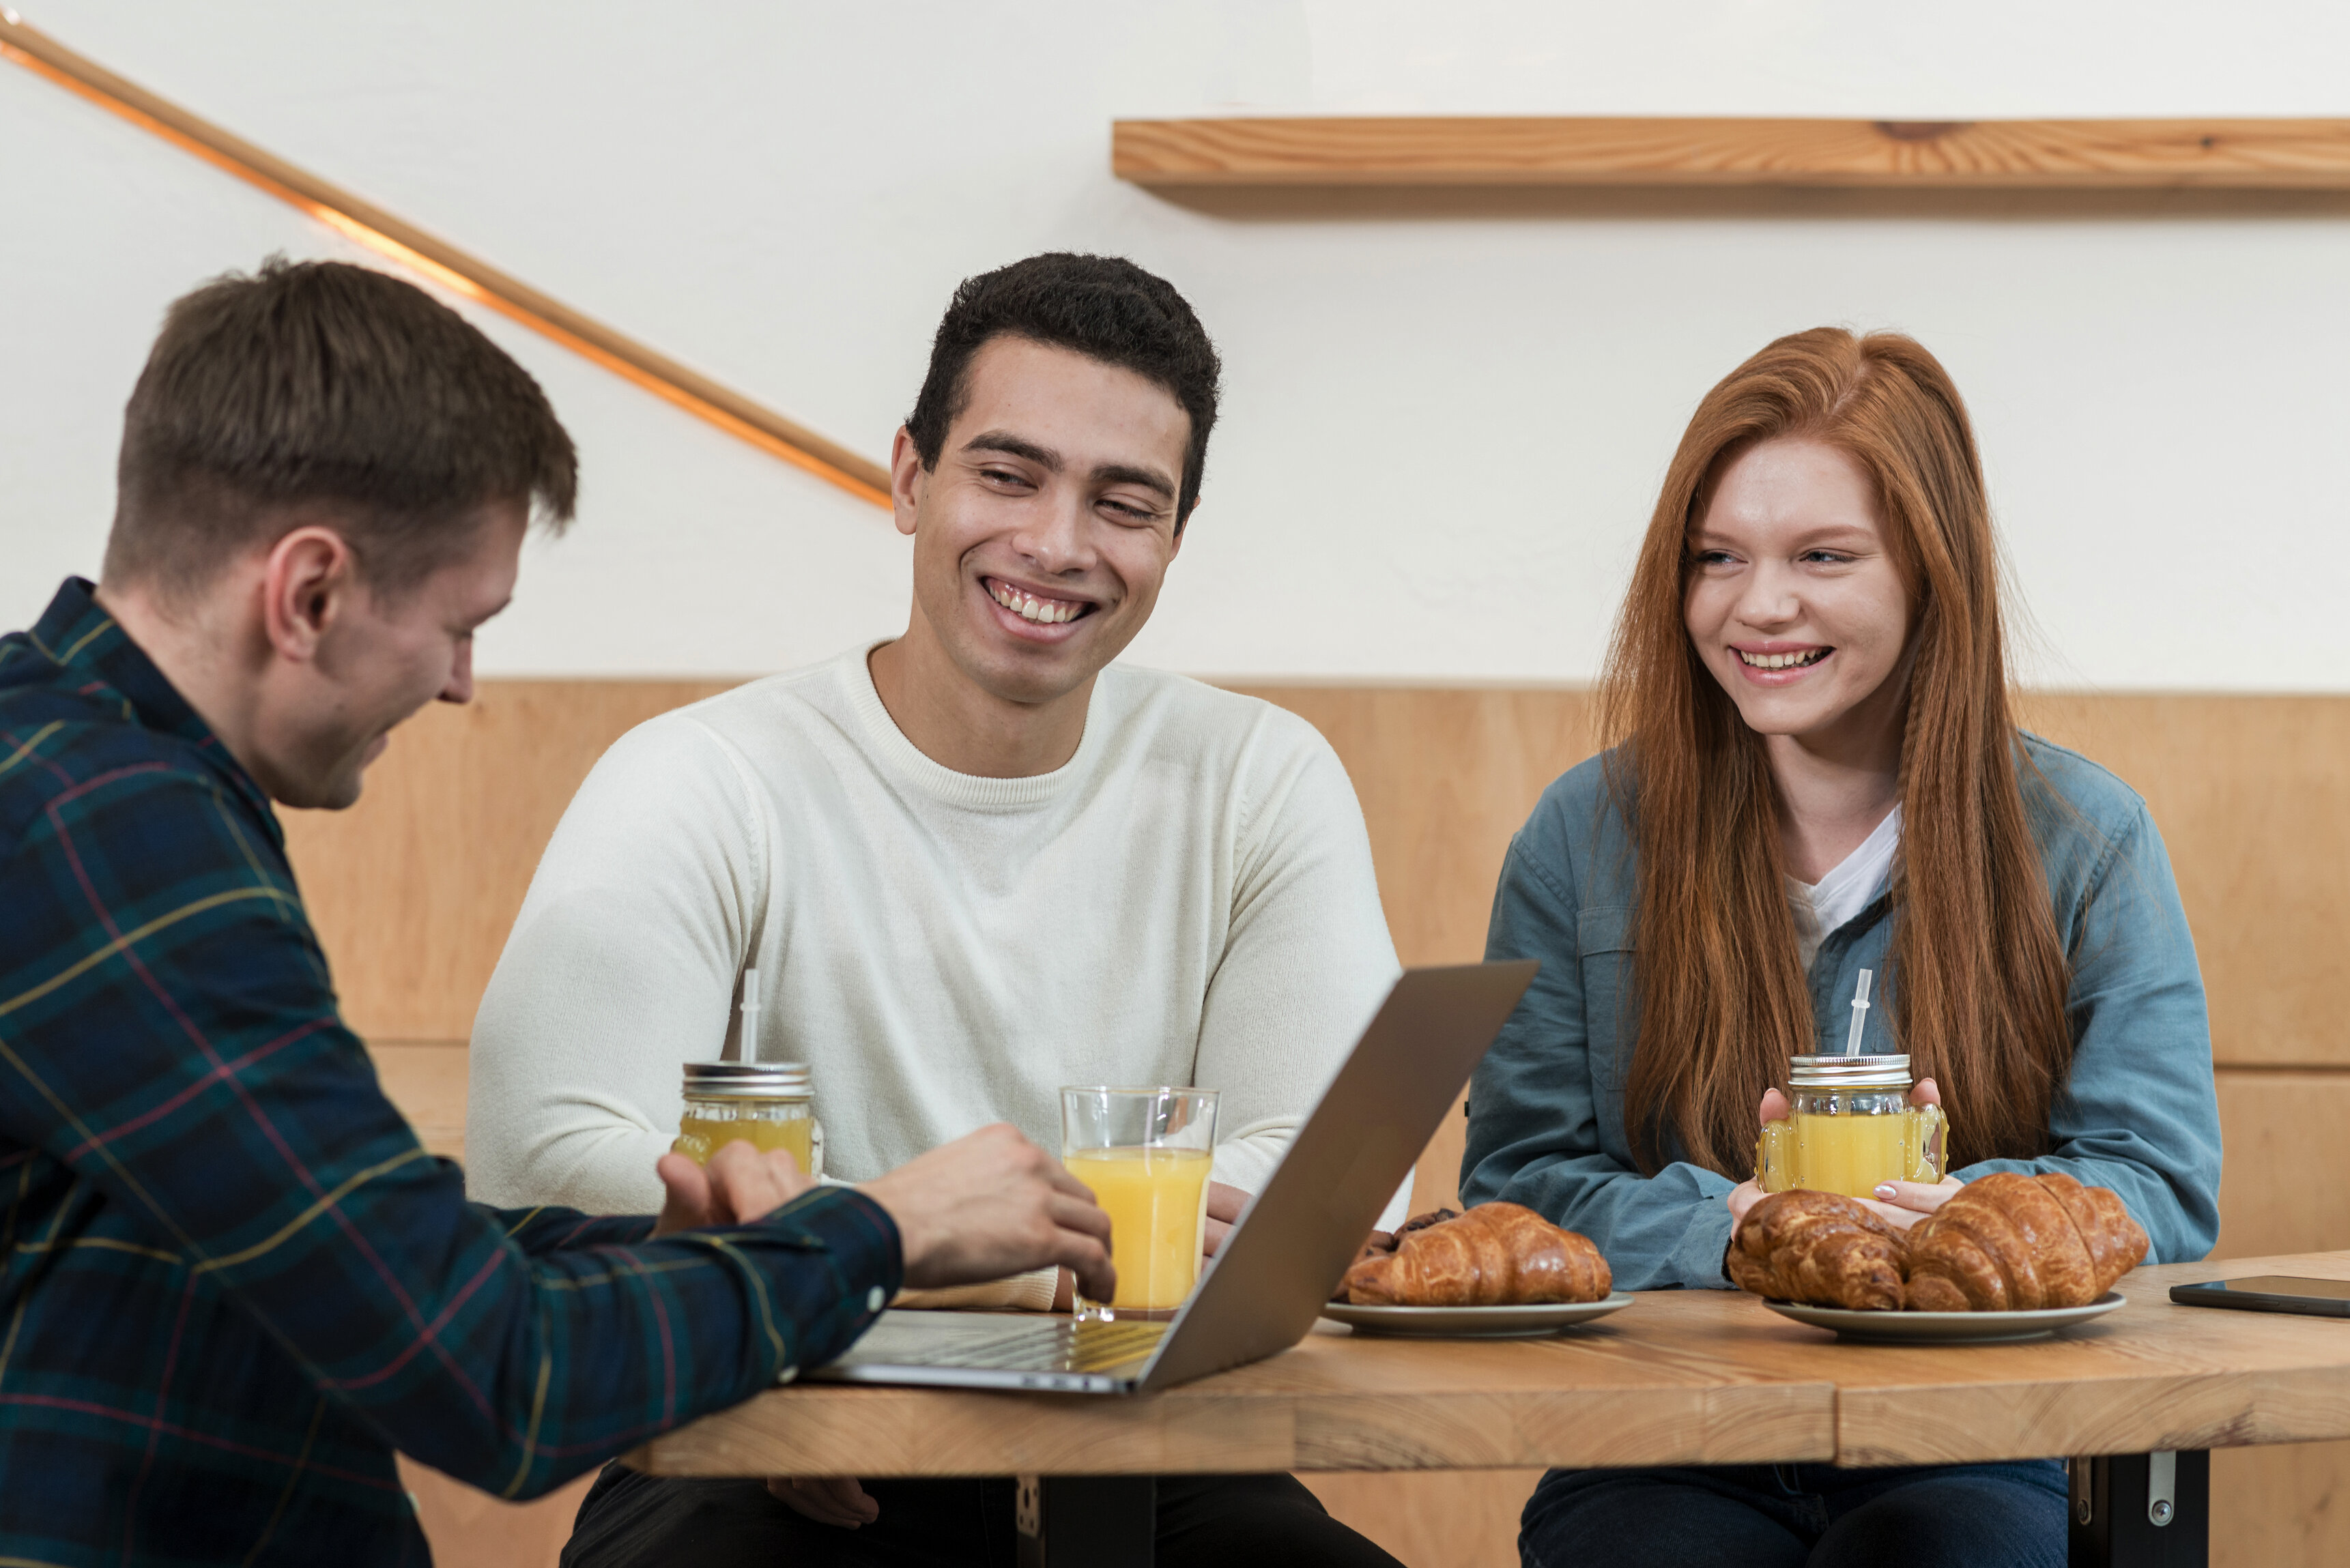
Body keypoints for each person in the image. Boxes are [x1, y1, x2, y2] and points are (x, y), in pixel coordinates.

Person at [0, 258, 1115, 1565]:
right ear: (307, 593)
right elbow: (492, 1380)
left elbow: (349, 1241)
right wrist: (884, 1228)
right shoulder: (112, 831)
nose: (467, 685)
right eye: (461, 626)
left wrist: (713, 1250)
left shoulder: (84, 773)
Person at [465, 252, 1409, 1565]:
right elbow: (546, 1153)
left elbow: (1324, 1176)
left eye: (1123, 502)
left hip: (1152, 1445)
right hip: (778, 1429)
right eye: (1008, 474)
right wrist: (943, 1252)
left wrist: (885, 1251)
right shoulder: (703, 777)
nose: (1058, 544)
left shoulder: (1259, 776)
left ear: (1174, 541)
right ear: (910, 478)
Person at [1461, 328, 2222, 1568]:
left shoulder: (2084, 837)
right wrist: (1736, 1226)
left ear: (1931, 569)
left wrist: (1965, 1222)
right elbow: (1518, 1189)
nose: (1760, 605)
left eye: (1823, 556)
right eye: (1718, 559)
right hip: (1666, 1441)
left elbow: (2164, 1186)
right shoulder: (1582, 836)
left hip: (1989, 1441)